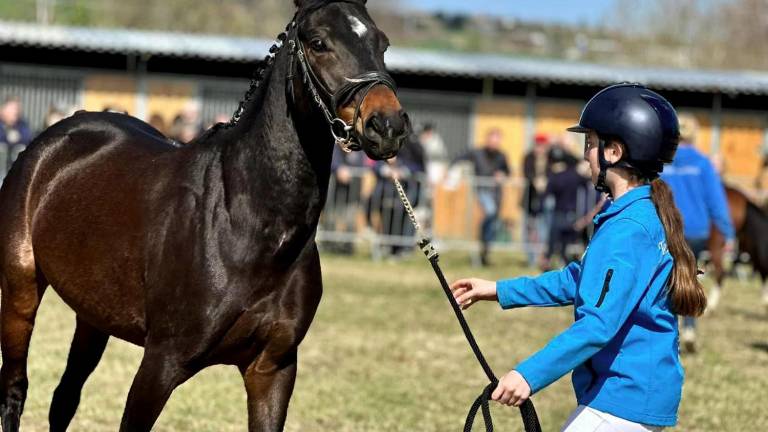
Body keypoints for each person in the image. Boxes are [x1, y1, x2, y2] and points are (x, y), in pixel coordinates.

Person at [450, 84, 705, 431]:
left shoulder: (627, 229)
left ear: (613, 152)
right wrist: (498, 289)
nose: (585, 154)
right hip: (631, 393)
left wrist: (528, 375)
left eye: (590, 144)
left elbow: (598, 325)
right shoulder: (639, 214)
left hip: (623, 397)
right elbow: (579, 278)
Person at [660, 114, 735, 353]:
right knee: (689, 277)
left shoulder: (662, 162)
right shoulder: (703, 163)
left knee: (664, 279)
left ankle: (666, 330)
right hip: (695, 230)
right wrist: (728, 232)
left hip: (666, 228)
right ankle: (689, 327)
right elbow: (716, 202)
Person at [451, 128, 511, 266]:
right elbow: (459, 157)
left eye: (498, 140)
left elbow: (507, 171)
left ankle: (485, 251)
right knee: (490, 212)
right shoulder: (477, 153)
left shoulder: (502, 156)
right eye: (493, 139)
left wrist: (502, 174)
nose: (495, 143)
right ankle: (482, 240)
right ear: (487, 139)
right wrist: (451, 170)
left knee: (493, 224)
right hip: (482, 189)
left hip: (496, 193)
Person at [540, 144, 591, 270]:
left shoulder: (554, 177)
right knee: (567, 245)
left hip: (559, 214)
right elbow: (587, 184)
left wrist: (540, 208)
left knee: (554, 243)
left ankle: (548, 264)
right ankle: (569, 267)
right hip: (573, 215)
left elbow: (546, 194)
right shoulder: (575, 175)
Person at [521, 133, 550, 267]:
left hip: (544, 199)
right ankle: (530, 258)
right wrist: (535, 181)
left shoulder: (550, 158)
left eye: (542, 145)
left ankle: (540, 257)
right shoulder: (528, 157)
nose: (540, 148)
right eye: (538, 145)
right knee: (529, 228)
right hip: (530, 198)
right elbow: (527, 173)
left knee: (542, 228)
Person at [0, 96, 33, 179]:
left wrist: (18, 137)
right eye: (13, 108)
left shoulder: (21, 123)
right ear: (3, 109)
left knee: (21, 149)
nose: (17, 111)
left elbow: (28, 137)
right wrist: (7, 137)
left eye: (18, 109)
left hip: (14, 162)